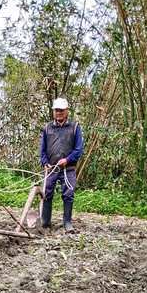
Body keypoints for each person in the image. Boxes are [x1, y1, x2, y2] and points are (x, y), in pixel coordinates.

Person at [40, 97, 83, 233]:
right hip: (51, 168)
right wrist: (45, 162)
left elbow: (78, 149)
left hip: (68, 168)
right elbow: (43, 150)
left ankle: (67, 223)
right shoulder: (47, 128)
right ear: (53, 111)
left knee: (68, 194)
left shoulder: (75, 127)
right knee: (46, 193)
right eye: (56, 110)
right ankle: (45, 222)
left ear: (67, 111)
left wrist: (68, 159)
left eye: (61, 110)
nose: (58, 112)